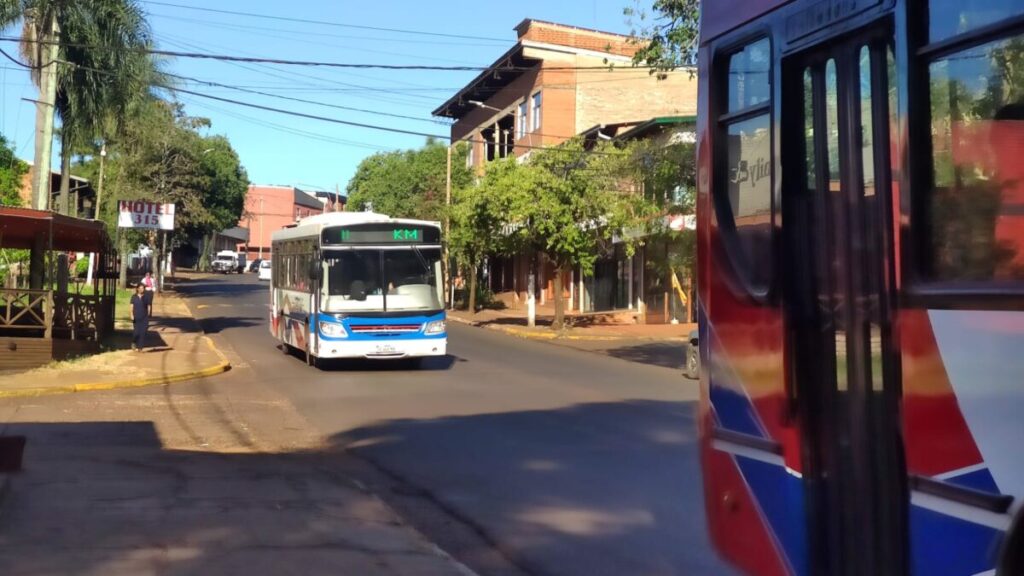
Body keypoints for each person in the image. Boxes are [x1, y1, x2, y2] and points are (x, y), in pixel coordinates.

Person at [129, 283, 149, 352]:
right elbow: (131, 307)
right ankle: (134, 342)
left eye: (143, 288)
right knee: (136, 332)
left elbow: (148, 306)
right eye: (140, 288)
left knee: (143, 333)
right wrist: (131, 314)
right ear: (137, 289)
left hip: (144, 317)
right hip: (136, 317)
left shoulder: (146, 297)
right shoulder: (134, 297)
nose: (141, 289)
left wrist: (148, 315)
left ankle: (140, 347)